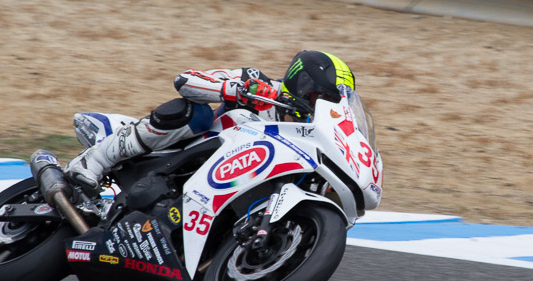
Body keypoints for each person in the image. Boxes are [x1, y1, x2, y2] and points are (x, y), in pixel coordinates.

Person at [65, 50, 356, 194]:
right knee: (197, 113)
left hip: (225, 187)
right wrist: (236, 89)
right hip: (183, 153)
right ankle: (96, 159)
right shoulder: (257, 82)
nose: (321, 104)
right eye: (319, 96)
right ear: (301, 81)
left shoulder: (308, 134)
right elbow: (185, 81)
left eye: (329, 101)